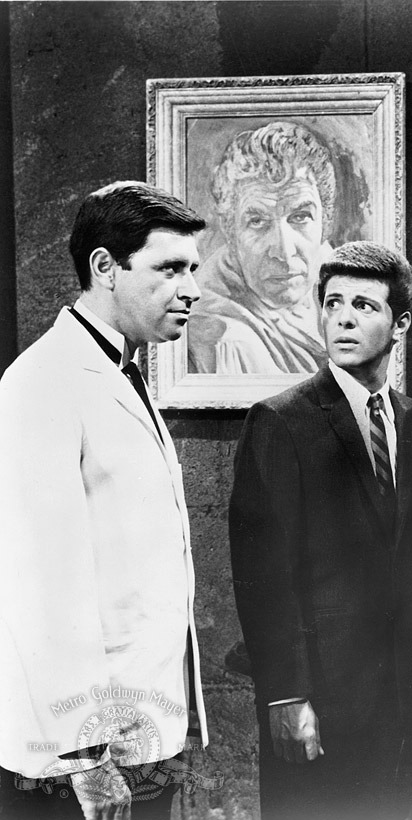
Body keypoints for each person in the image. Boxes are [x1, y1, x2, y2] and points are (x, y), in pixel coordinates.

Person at [0, 181, 209, 819]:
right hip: (80, 752)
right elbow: (42, 587)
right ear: (104, 267)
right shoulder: (43, 381)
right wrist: (85, 757)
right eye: (170, 268)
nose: (192, 289)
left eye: (193, 269)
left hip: (141, 726)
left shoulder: (122, 369)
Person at [230, 241, 412, 819]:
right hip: (321, 699)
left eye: (364, 306)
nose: (343, 319)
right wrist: (285, 695)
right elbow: (262, 574)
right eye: (333, 303)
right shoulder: (280, 421)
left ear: (400, 324)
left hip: (410, 698)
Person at [188, 120, 367, 375]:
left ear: (324, 222)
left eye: (300, 216)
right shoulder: (226, 340)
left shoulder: (335, 273)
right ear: (231, 232)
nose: (284, 252)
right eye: (257, 221)